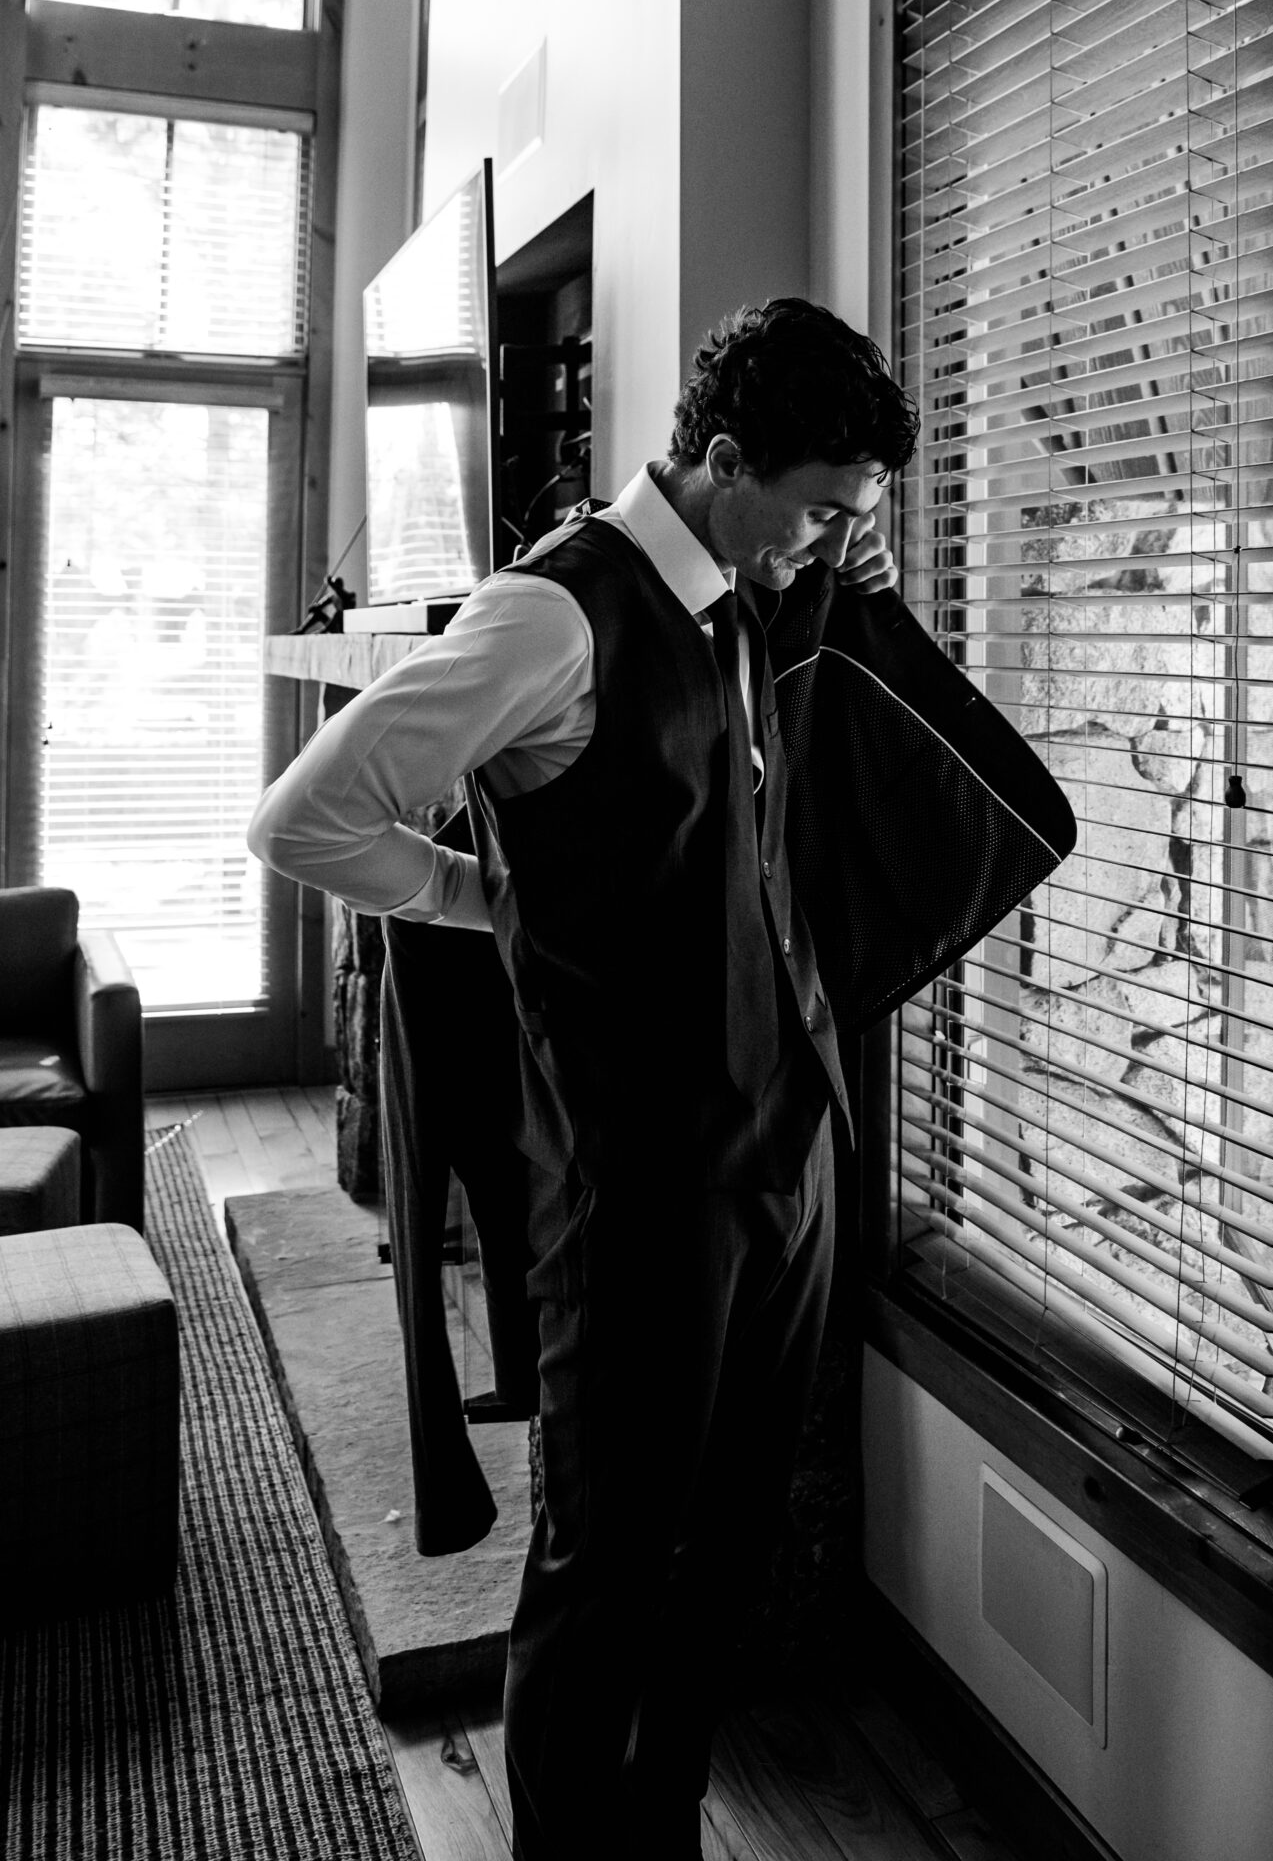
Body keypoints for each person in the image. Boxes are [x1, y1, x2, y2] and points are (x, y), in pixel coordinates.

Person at [250, 297, 919, 1858]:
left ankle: (664, 1828)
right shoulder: (551, 618)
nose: (823, 542)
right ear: (727, 459)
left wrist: (840, 580)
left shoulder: (756, 593)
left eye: (848, 522)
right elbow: (307, 821)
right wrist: (492, 901)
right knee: (605, 1569)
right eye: (815, 510)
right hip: (642, 1190)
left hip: (790, 1162)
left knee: (732, 1550)